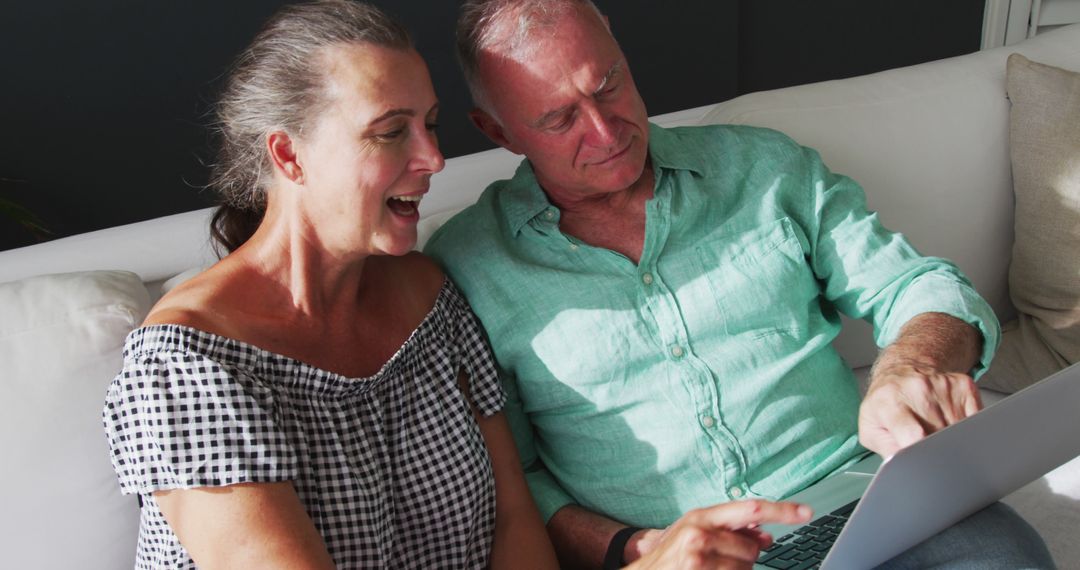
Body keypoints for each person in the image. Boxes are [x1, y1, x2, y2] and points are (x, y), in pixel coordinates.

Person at [424, 1, 1056, 568]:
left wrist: (910, 365)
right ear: (497, 132)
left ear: (618, 46)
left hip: (872, 502)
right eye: (560, 119)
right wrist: (635, 548)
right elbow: (514, 477)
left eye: (609, 83)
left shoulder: (764, 169)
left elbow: (917, 287)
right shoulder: (469, 266)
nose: (606, 130)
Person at [100, 2, 564, 568]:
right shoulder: (187, 366)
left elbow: (514, 522)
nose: (435, 158)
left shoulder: (431, 297)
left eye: (430, 124)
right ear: (289, 155)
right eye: (392, 131)